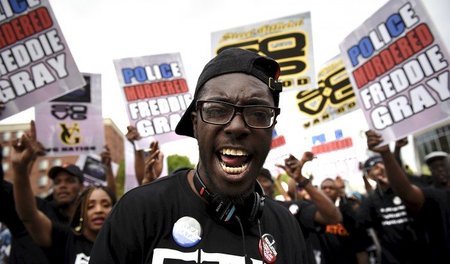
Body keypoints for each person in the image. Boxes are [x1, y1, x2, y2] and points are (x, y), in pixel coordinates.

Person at [90, 48, 308, 263]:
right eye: (217, 110)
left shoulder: (285, 227)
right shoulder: (139, 210)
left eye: (258, 113)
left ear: (272, 128)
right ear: (195, 124)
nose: (237, 126)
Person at [10, 122, 116, 263]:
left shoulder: (123, 244)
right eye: (90, 206)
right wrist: (20, 169)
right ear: (81, 212)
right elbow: (29, 215)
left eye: (105, 205)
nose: (98, 210)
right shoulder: (66, 239)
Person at [366, 130, 450, 263]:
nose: (440, 170)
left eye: (442, 165)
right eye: (434, 167)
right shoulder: (435, 196)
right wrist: (387, 153)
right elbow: (406, 189)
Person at [356, 133, 431, 264]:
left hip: (423, 255)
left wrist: (397, 150)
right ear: (369, 175)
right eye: (375, 168)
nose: (380, 169)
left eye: (382, 164)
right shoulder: (371, 200)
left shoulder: (410, 188)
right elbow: (359, 225)